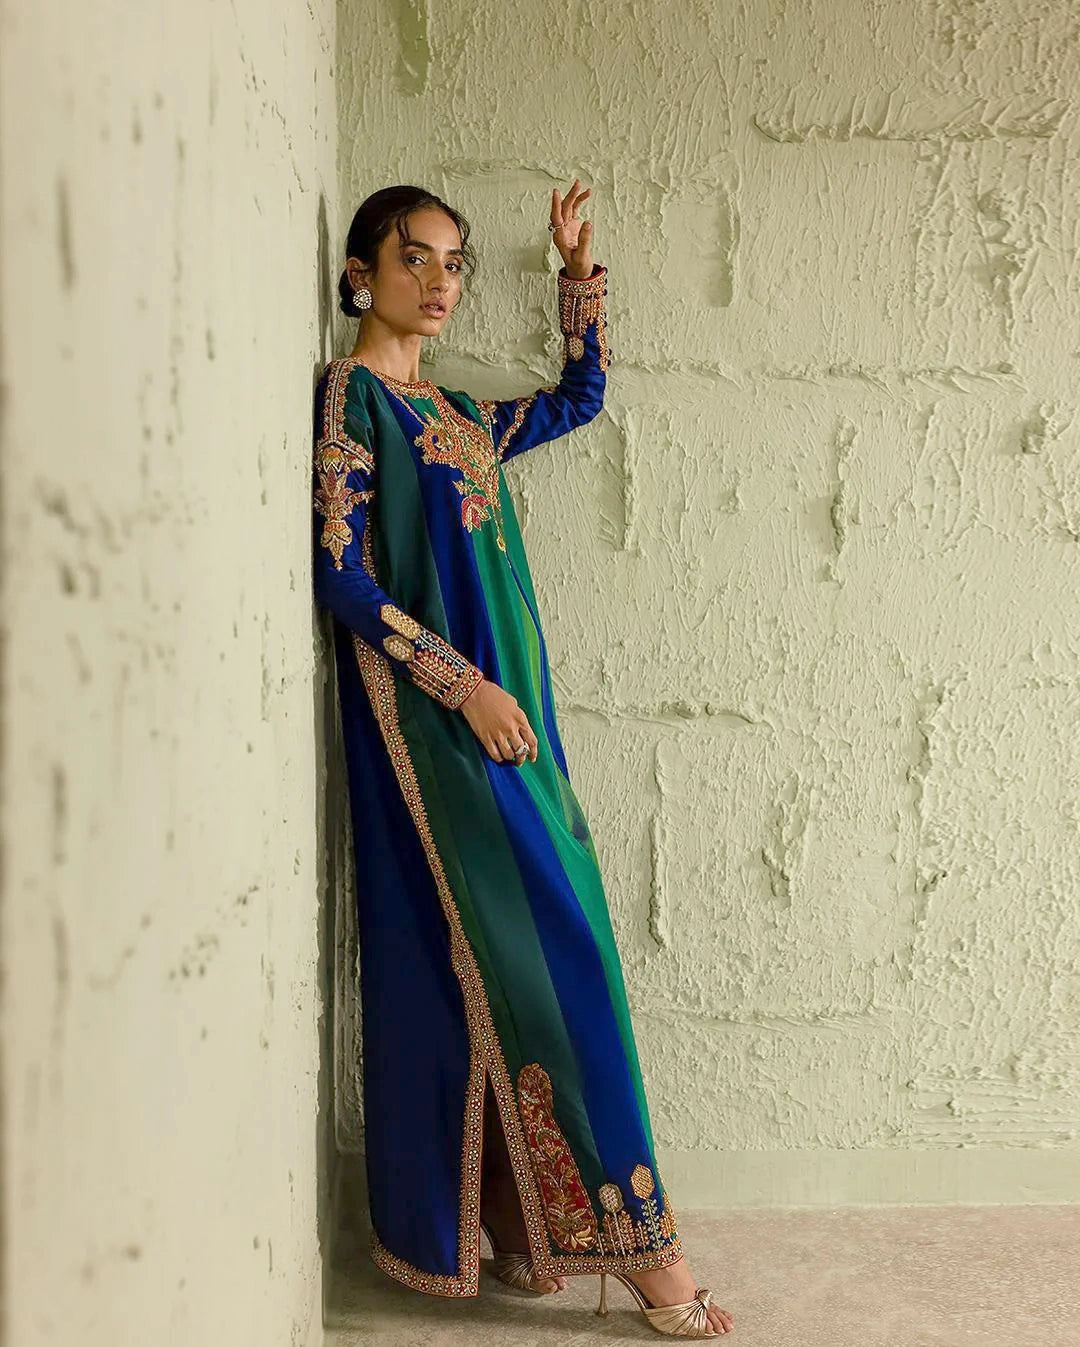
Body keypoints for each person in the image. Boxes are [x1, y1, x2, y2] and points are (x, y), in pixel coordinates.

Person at [312, 180, 735, 1339]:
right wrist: (466, 685)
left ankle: (512, 1228)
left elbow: (580, 399)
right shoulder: (352, 401)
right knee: (557, 954)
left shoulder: (454, 413)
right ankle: (652, 1261)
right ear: (361, 276)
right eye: (416, 259)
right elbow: (344, 578)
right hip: (443, 732)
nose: (442, 281)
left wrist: (575, 279)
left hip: (511, 728)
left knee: (519, 956)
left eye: (455, 263)